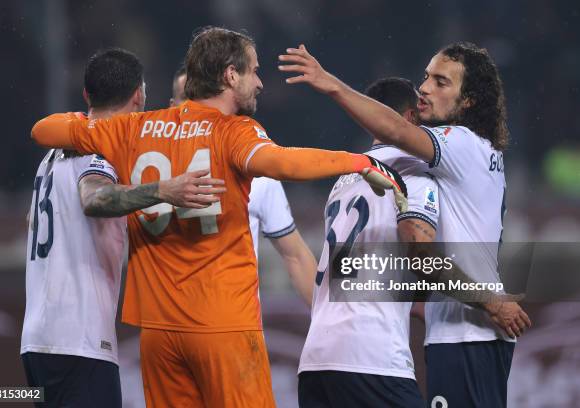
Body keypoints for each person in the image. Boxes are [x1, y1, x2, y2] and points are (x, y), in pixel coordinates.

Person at [30, 27, 404, 407]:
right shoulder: (234, 132)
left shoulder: (135, 128)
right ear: (230, 75)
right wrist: (357, 162)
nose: (259, 83)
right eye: (254, 71)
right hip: (223, 324)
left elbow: (43, 130)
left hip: (159, 333)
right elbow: (280, 161)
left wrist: (87, 124)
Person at [279, 41, 532, 407]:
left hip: (465, 332)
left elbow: (397, 133)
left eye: (441, 82)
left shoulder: (457, 143)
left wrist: (331, 83)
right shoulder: (458, 158)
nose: (426, 88)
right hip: (454, 329)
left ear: (469, 101)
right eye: (425, 78)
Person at [21, 47, 225, 408]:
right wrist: (165, 189)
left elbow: (34, 220)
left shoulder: (52, 154)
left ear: (87, 95)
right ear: (139, 95)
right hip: (80, 341)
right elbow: (93, 198)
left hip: (36, 340)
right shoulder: (100, 154)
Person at [298, 77, 436, 407]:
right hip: (371, 356)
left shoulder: (346, 178)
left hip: (317, 358)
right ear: (409, 119)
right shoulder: (413, 171)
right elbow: (417, 248)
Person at [170, 66, 316, 305]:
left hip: (233, 323)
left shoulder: (257, 175)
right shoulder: (147, 168)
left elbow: (296, 256)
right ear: (171, 106)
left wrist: (328, 326)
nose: (196, 109)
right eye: (187, 99)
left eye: (203, 99)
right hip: (166, 324)